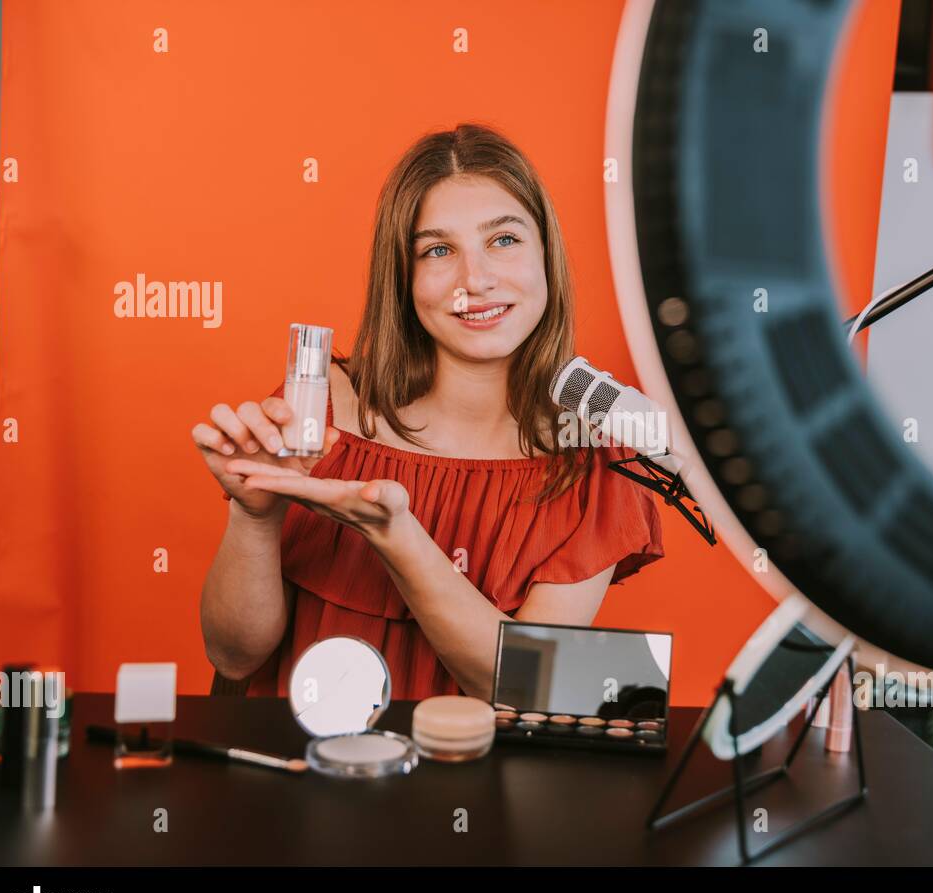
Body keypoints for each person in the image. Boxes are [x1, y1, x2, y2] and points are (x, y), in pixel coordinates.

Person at [192, 124, 664, 701]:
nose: (477, 280)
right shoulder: (320, 411)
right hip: (301, 773)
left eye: (504, 239)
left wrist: (396, 535)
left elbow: (526, 691)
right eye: (438, 250)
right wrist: (255, 517)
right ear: (404, 278)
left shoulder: (598, 460)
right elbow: (233, 658)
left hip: (478, 783)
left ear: (547, 254)